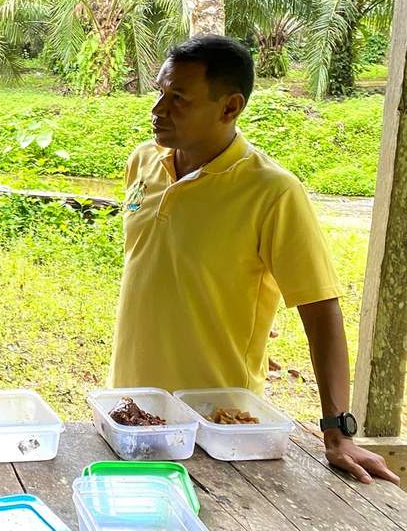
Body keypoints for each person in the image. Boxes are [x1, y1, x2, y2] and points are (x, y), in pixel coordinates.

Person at [110, 34, 397, 484]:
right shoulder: (145, 162)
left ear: (230, 107)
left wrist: (337, 430)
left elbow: (321, 309)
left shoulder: (272, 192)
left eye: (179, 98)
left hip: (215, 423)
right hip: (131, 407)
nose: (158, 109)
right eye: (160, 92)